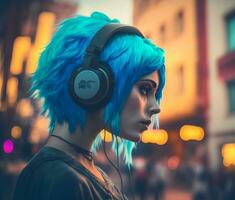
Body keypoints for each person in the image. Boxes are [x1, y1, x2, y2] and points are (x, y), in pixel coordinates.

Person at [13, 11, 165, 200]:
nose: (155, 106)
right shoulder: (61, 180)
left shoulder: (81, 171)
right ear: (93, 84)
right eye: (144, 90)